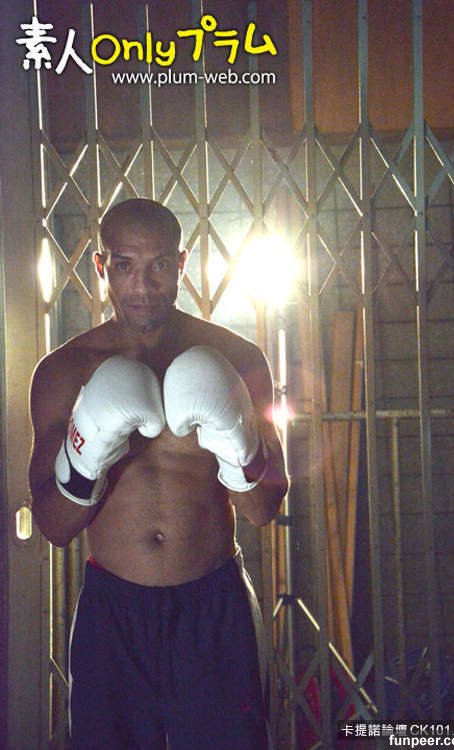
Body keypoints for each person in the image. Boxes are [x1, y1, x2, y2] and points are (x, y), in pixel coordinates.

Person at [29, 198, 289, 750]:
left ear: (182, 264)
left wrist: (237, 444)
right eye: (124, 265)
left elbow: (264, 508)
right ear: (101, 267)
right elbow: (53, 526)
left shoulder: (235, 357)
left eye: (159, 266)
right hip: (112, 609)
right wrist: (86, 459)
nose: (143, 285)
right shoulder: (63, 371)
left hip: (212, 603)